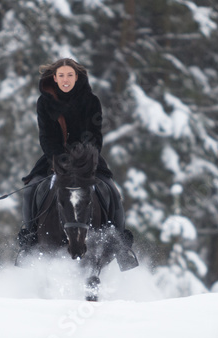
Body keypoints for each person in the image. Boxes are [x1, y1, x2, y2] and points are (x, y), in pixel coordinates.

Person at [16, 58, 136, 267]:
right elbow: (46, 136)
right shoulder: (44, 102)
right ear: (54, 78)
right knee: (29, 191)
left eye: (70, 75)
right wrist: (58, 158)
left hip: (88, 159)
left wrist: (84, 156)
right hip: (54, 158)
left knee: (112, 191)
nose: (65, 79)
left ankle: (121, 245)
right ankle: (29, 242)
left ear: (77, 77)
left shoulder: (91, 100)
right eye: (61, 75)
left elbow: (95, 135)